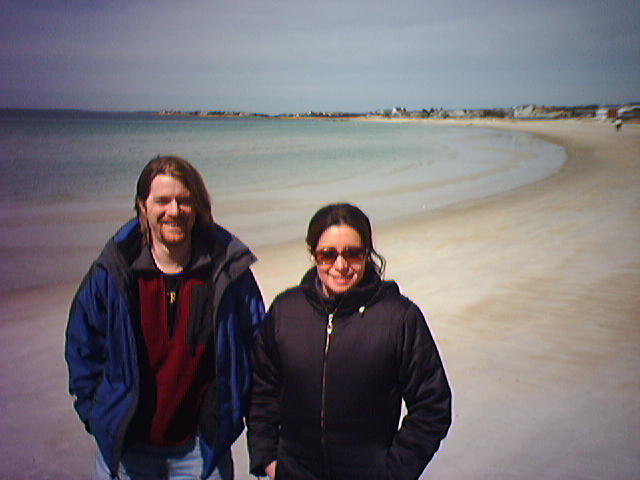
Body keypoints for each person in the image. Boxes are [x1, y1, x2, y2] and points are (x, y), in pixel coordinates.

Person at [65, 155, 265, 480]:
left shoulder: (227, 272)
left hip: (202, 452)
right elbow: (82, 348)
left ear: (198, 206)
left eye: (184, 200)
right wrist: (97, 415)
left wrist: (239, 416)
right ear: (142, 206)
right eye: (163, 201)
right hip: (127, 452)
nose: (174, 210)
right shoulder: (113, 272)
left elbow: (259, 350)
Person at [248, 203, 452, 480]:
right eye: (328, 254)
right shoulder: (286, 310)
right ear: (313, 254)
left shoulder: (399, 317)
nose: (341, 265)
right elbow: (262, 389)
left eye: (353, 253)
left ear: (367, 253)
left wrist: (393, 472)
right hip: (294, 471)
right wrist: (268, 459)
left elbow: (432, 405)